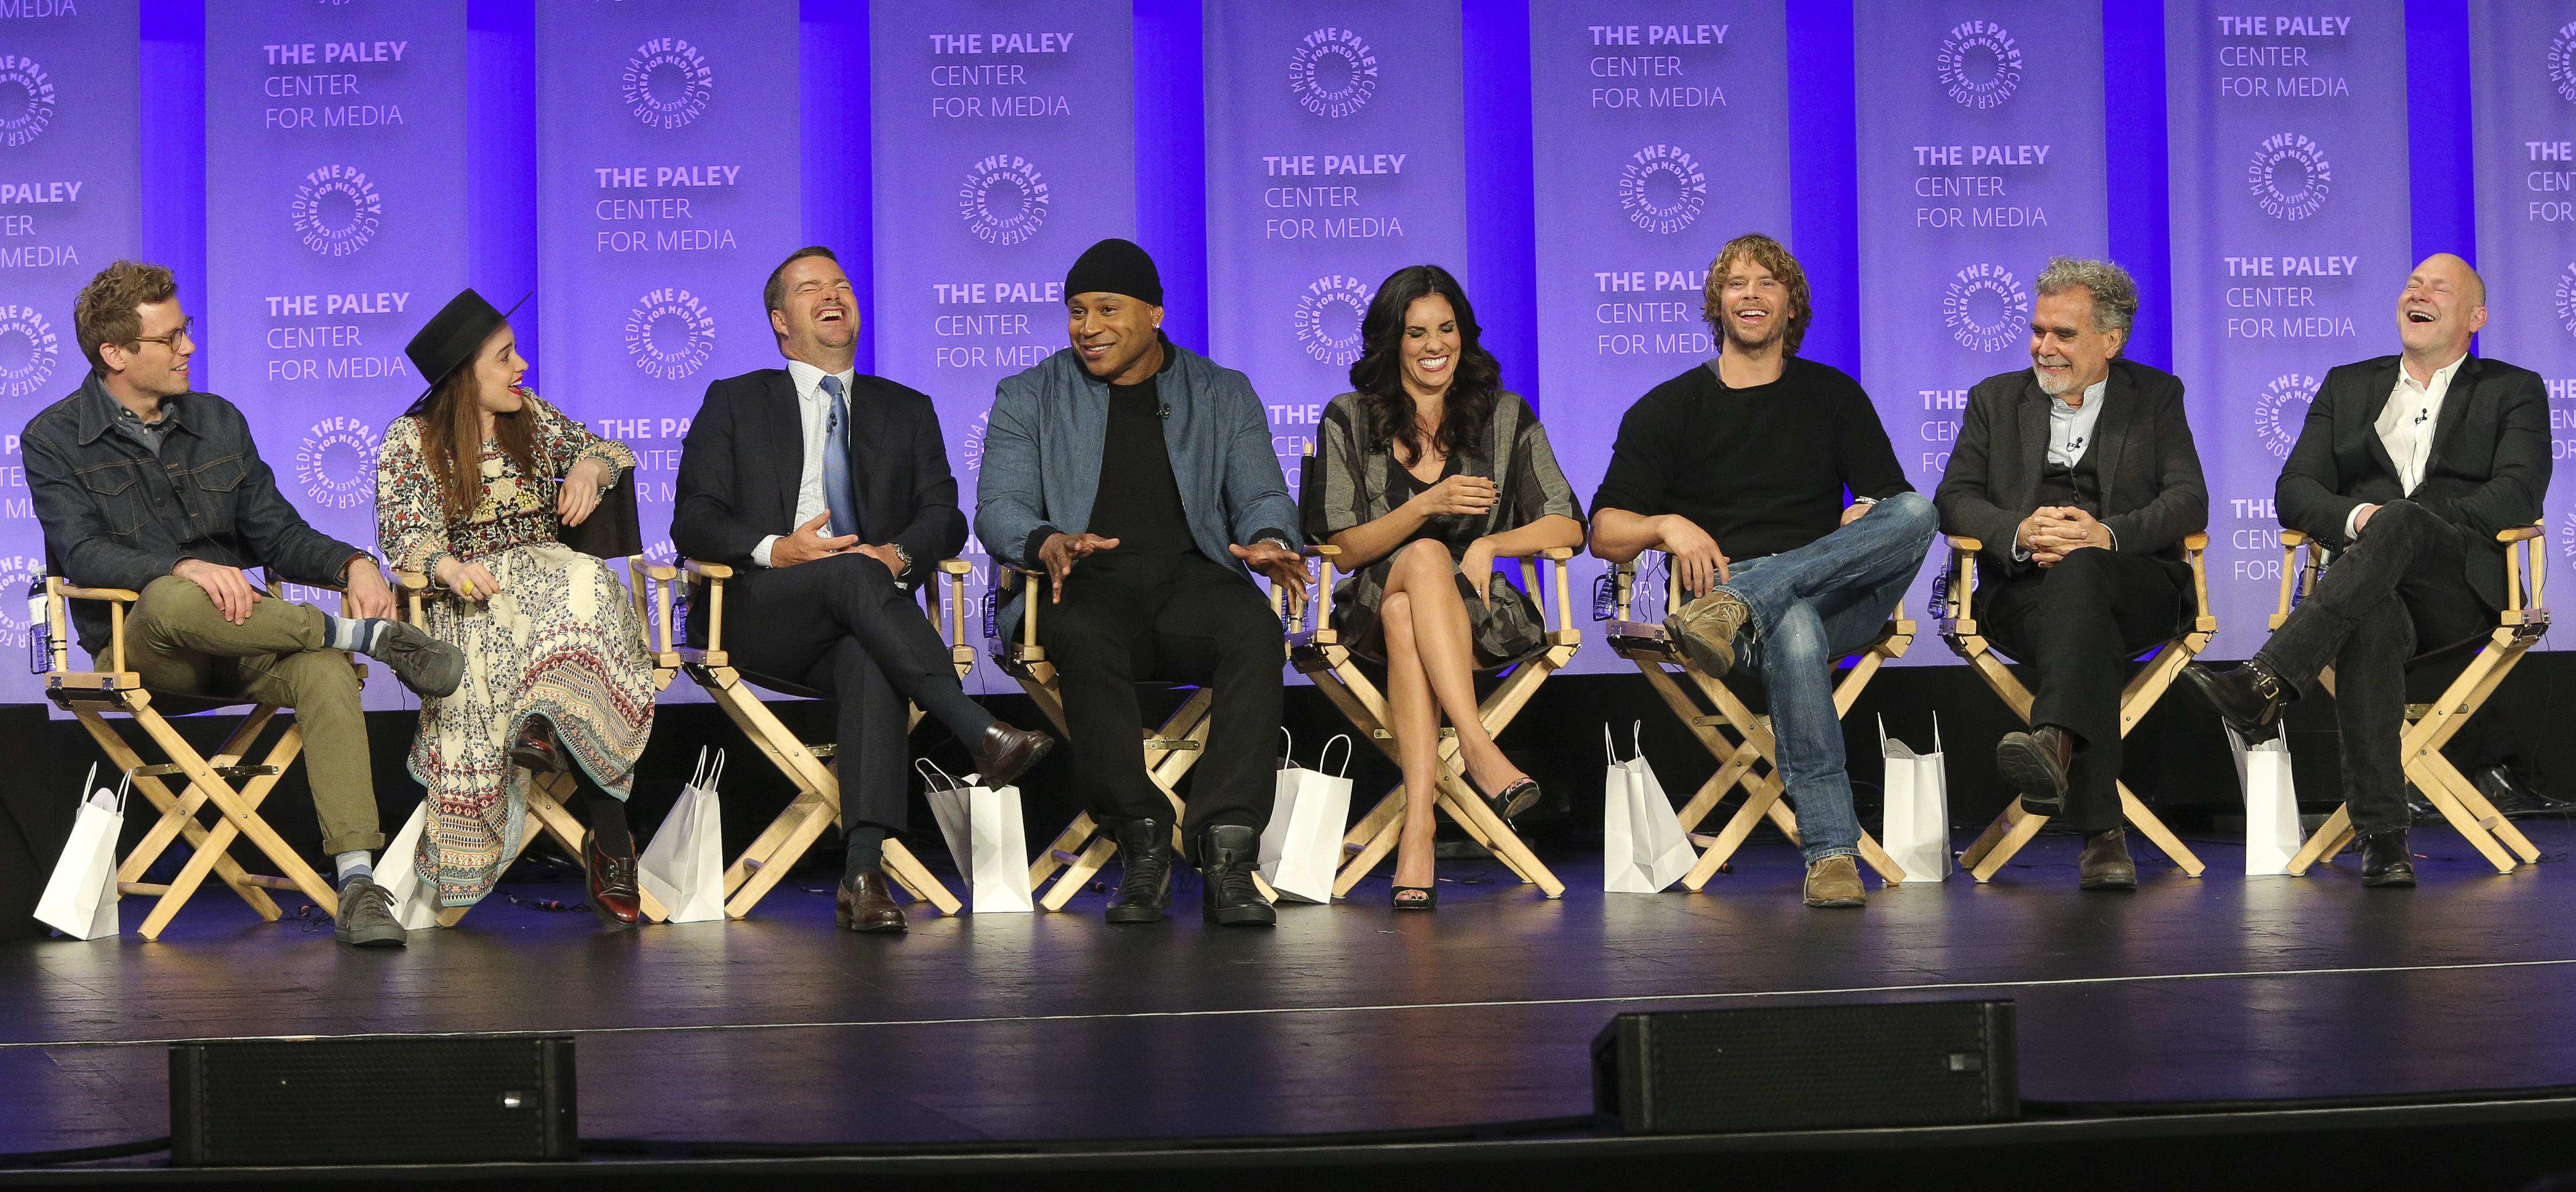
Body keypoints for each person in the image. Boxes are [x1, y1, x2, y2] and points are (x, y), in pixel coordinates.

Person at [23, 260, 465, 948]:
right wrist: (184, 566)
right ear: (115, 353)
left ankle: (357, 883)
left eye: (186, 330)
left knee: (322, 670)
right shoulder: (52, 438)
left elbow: (278, 535)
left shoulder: (219, 421)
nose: (189, 347)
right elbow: (82, 554)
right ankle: (368, 637)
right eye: (170, 338)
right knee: (174, 595)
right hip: (147, 648)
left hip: (244, 635)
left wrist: (351, 561)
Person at [673, 246, 1052, 933]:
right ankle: (973, 727)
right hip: (760, 609)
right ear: (780, 321)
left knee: (868, 656)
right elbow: (693, 520)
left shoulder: (906, 409)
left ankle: (862, 872)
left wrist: (897, 553)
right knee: (854, 576)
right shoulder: (734, 400)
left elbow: (944, 515)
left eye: (842, 284)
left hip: (864, 618)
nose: (832, 295)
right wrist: (777, 548)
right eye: (810, 288)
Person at [1588, 232, 1938, 909]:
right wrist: (1665, 525)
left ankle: (1750, 598)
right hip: (1726, 609)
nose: (1750, 295)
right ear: (1716, 305)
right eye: (1735, 284)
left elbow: (1888, 500)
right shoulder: (1668, 408)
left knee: (1917, 511)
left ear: (1791, 305)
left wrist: (1863, 510)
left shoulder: (1832, 395)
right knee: (1794, 627)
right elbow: (1604, 533)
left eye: (1766, 283)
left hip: (1829, 589)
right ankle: (1831, 854)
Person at [2182, 253, 2550, 888]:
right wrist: (2360, 520)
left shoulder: (2512, 388)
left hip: (2460, 586)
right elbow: (2295, 490)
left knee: (2401, 524)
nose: (2419, 293)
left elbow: (2518, 493)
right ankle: (2383, 839)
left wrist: (2409, 524)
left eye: (2439, 288)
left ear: (2476, 318)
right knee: (2371, 618)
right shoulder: (2347, 386)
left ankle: (2267, 679)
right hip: (2369, 588)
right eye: (2412, 283)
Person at [976, 237, 1306, 927]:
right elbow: (1000, 507)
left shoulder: (1221, 392)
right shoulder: (1028, 395)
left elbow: (1260, 496)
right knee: (1085, 633)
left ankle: (1228, 847)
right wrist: (1047, 541)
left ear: (1154, 313)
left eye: (1107, 309)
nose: (1087, 326)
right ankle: (1143, 840)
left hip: (1193, 578)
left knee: (1252, 629)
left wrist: (1271, 541)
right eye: (1076, 311)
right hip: (1080, 580)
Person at [1305, 264, 1585, 910]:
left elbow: (1569, 525)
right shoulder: (1350, 417)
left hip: (1476, 614)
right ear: (1392, 342)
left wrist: (1492, 543)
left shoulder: (1504, 416)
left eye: (1447, 329)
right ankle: (1478, 747)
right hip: (1370, 603)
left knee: (1409, 614)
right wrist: (1425, 506)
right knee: (1423, 558)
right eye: (1417, 333)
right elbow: (1344, 549)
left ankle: (1419, 830)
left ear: (1464, 334)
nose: (1435, 346)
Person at [376, 290, 656, 928]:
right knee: (568, 605)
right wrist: (450, 567)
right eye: (504, 357)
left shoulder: (529, 416)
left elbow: (610, 451)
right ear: (463, 375)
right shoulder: (411, 439)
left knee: (585, 579)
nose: (520, 366)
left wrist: (586, 469)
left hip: (552, 587)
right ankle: (611, 838)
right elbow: (405, 535)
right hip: (472, 596)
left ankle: (544, 725)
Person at [1932, 258, 2208, 889]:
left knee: (2084, 574)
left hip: (2134, 588)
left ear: (2110, 341)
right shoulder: (1996, 400)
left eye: (2063, 334)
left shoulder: (2156, 396)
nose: (2043, 347)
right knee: (2086, 634)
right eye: (2038, 331)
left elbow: (2189, 500)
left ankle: (2054, 745)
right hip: (2022, 595)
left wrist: (2104, 535)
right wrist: (2020, 531)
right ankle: (2100, 831)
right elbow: (1954, 498)